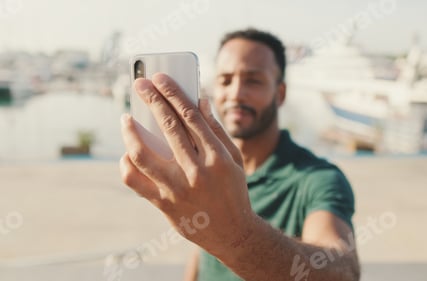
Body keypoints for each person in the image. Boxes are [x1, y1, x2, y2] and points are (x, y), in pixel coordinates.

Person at [120, 28, 359, 281]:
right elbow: (203, 254)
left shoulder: (318, 179)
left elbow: (343, 272)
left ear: (280, 94)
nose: (235, 93)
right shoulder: (207, 172)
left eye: (253, 81)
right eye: (225, 80)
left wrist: (233, 233)